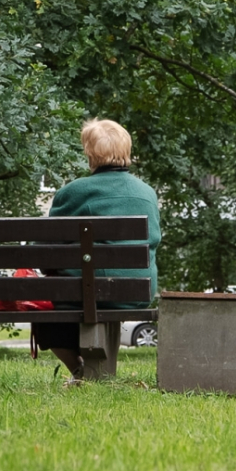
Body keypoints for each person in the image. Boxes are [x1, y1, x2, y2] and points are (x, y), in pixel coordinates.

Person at [32, 119, 160, 384]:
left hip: (85, 293)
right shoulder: (147, 193)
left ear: (89, 153)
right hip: (137, 292)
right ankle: (90, 371)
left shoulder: (73, 192)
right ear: (126, 150)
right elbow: (154, 240)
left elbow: (46, 250)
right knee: (84, 289)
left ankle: (79, 369)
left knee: (44, 299)